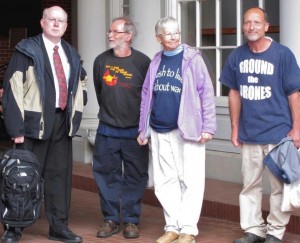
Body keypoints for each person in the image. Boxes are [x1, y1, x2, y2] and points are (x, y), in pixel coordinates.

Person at [2, 6, 87, 243]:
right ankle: (13, 228)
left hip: (62, 124)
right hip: (32, 124)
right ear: (42, 22)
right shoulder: (26, 51)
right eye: (52, 19)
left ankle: (58, 227)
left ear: (66, 26)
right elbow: (12, 89)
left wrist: (75, 117)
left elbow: (81, 87)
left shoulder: (71, 53)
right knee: (21, 179)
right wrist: (16, 128)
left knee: (59, 179)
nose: (56, 24)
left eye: (61, 21)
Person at [219, 7, 300, 243]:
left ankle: (275, 232)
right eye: (247, 23)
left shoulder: (282, 54)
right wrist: (234, 127)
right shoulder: (237, 56)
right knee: (250, 185)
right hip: (249, 133)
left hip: (278, 133)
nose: (251, 27)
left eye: (256, 22)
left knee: (279, 188)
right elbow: (233, 93)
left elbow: (294, 93)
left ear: (266, 26)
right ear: (243, 27)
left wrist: (297, 128)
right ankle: (254, 229)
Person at [137, 17, 217, 243]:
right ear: (158, 38)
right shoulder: (156, 61)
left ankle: (188, 229)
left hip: (188, 129)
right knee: (165, 183)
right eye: (168, 33)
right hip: (159, 129)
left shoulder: (193, 58)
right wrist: (143, 129)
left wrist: (209, 127)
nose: (174, 37)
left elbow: (206, 93)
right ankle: (172, 226)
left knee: (190, 180)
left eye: (176, 32)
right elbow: (146, 96)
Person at [92, 16, 150, 239]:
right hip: (107, 129)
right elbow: (100, 92)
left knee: (136, 176)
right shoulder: (100, 61)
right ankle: (110, 219)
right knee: (106, 176)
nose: (110, 35)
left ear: (128, 36)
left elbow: (148, 98)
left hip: (135, 133)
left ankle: (131, 221)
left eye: (115, 32)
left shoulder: (143, 63)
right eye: (110, 31)